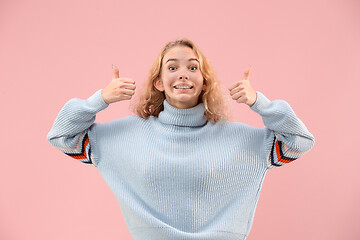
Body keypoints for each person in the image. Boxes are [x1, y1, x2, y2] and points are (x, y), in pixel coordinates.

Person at [47, 38, 315, 240]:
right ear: (159, 83)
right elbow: (62, 136)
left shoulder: (239, 139)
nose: (183, 73)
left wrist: (260, 103)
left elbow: (299, 142)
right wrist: (100, 99)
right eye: (172, 67)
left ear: (205, 82)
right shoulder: (126, 136)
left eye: (193, 67)